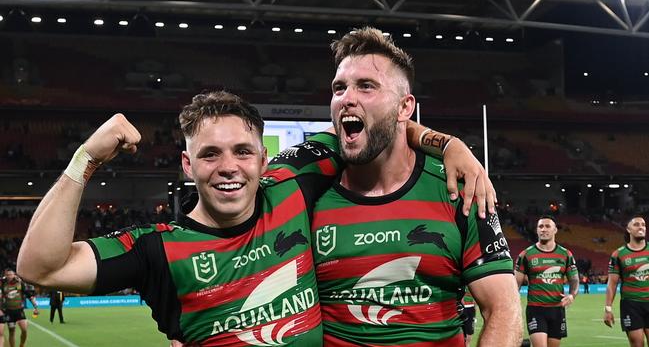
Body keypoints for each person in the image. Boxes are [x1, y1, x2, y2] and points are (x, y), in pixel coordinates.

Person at [17, 90, 492, 345]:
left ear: (265, 160)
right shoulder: (158, 248)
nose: (229, 166)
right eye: (210, 155)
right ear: (188, 166)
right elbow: (40, 267)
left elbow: (375, 123)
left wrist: (449, 145)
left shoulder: (292, 182)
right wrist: (85, 158)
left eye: (244, 151)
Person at [310, 27, 521, 346]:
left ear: (405, 108)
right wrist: (447, 142)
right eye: (339, 88)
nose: (348, 98)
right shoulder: (307, 194)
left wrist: (450, 145)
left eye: (366, 87)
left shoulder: (459, 189)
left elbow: (503, 311)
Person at [515, 215, 579, 347]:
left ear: (555, 230)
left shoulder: (566, 254)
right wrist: (512, 308)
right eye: (540, 226)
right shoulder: (526, 255)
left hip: (557, 310)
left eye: (547, 226)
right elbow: (515, 285)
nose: (543, 229)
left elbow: (574, 279)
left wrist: (572, 295)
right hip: (535, 309)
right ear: (537, 230)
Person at [604, 216, 649, 347]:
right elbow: (612, 283)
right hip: (631, 305)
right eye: (636, 224)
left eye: (643, 224)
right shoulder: (618, 254)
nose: (641, 226)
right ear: (628, 229)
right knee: (637, 344)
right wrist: (608, 309)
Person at [0, 269, 38, 347]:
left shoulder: (20, 283)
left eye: (11, 274)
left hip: (19, 311)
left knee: (24, 329)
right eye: (7, 275)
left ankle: (22, 345)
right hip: (8, 312)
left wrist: (35, 307)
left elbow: (29, 295)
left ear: (14, 275)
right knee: (12, 331)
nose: (9, 276)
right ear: (5, 275)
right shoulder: (3, 283)